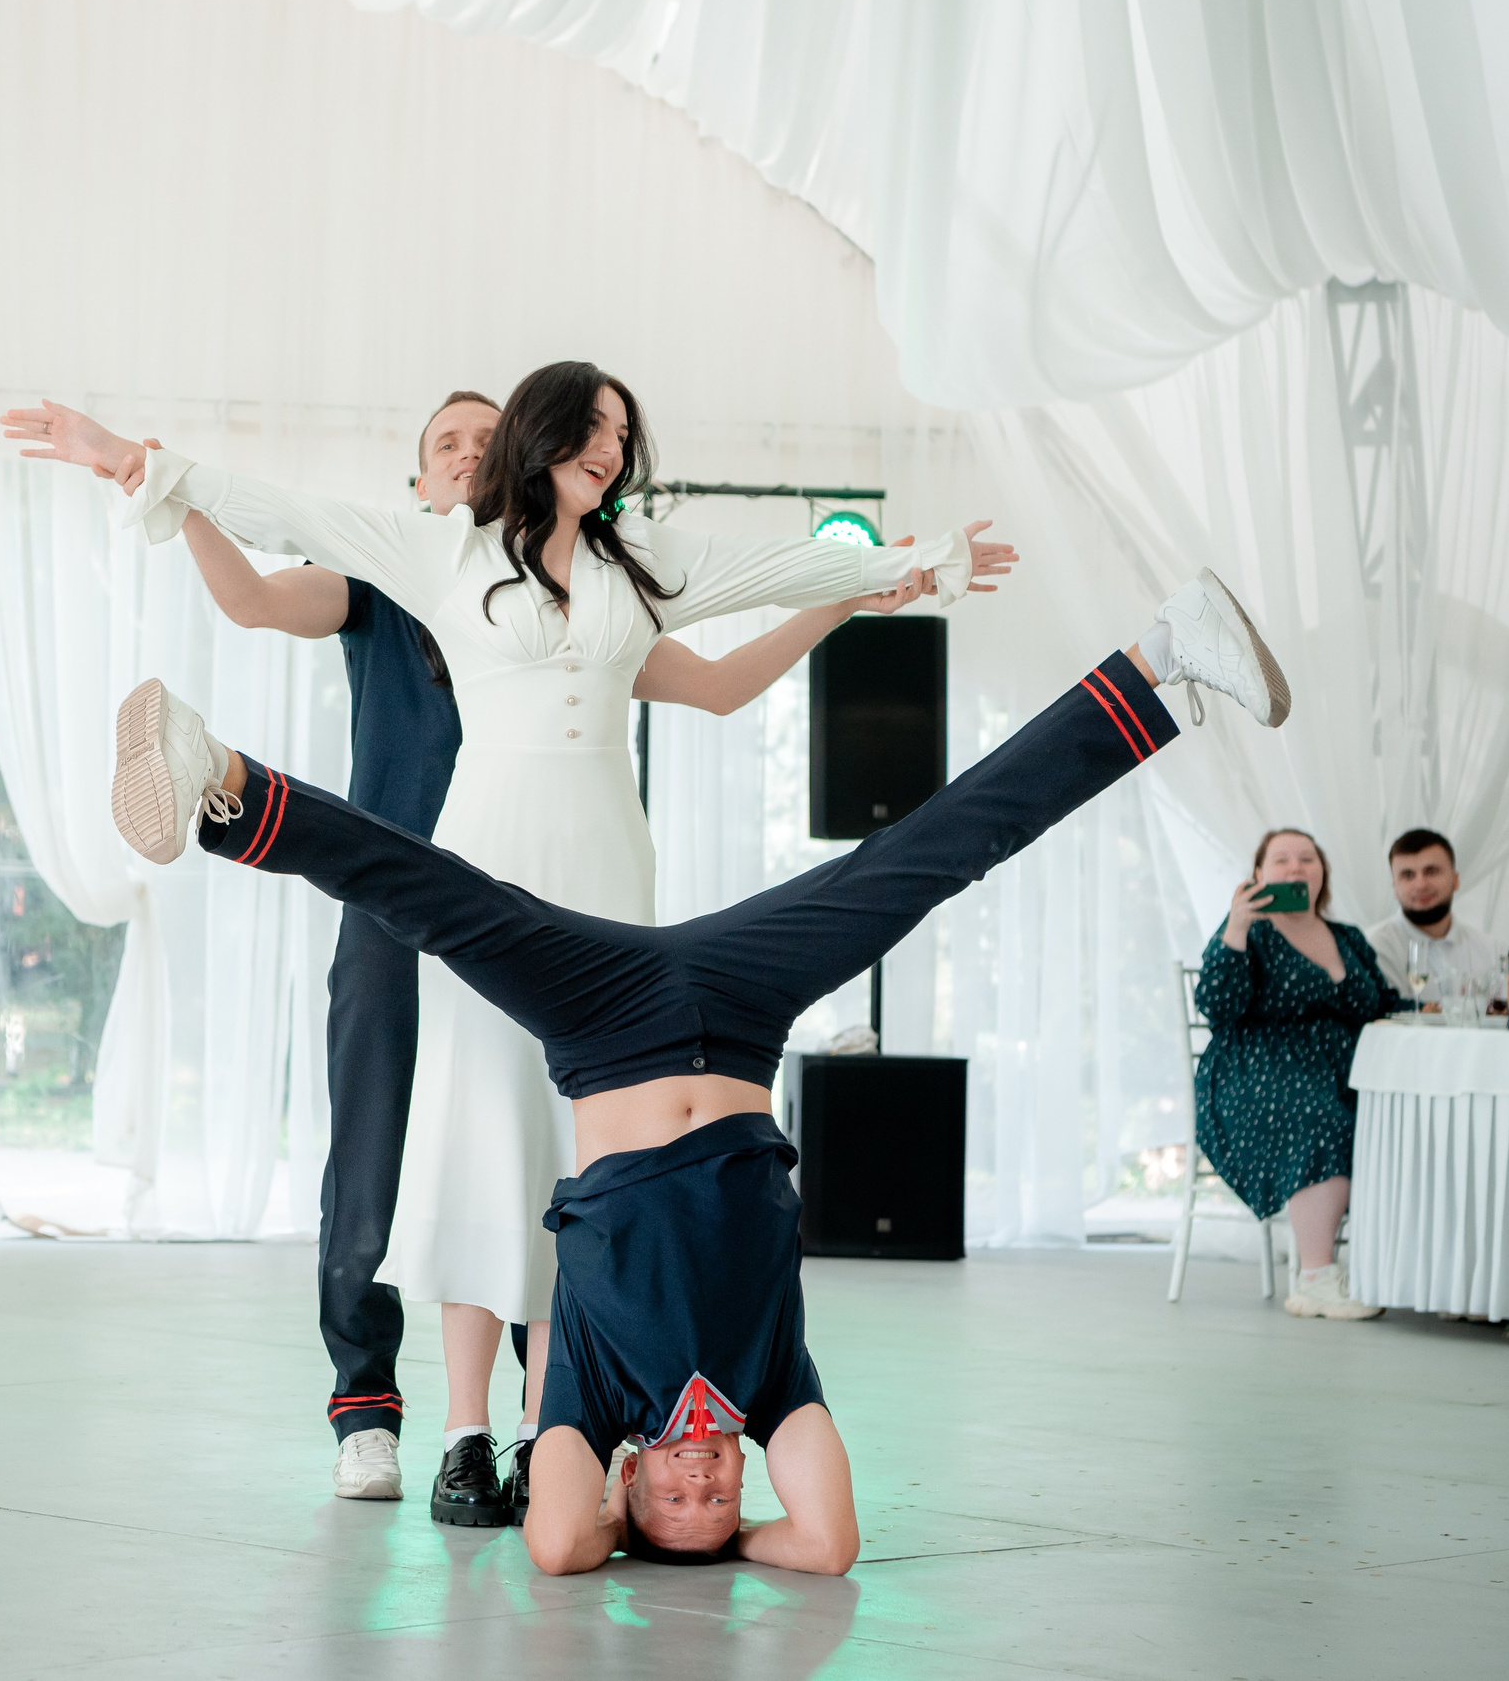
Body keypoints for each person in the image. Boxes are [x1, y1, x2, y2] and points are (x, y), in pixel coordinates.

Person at [102, 564, 1286, 1570]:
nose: (702, 1484)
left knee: (441, 899)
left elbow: (556, 1543)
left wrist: (619, 1518)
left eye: (674, 1497)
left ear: (629, 1480)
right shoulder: (773, 1386)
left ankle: (220, 779)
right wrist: (741, 1539)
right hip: (745, 1006)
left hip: (604, 1022)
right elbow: (827, 1542)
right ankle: (1162, 657)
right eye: (718, 1500)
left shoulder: (593, 1398)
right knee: (928, 856)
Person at [10, 363, 1001, 1528]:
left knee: (580, 1146)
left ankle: (550, 1427)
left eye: (623, 434)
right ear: (542, 435)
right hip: (483, 852)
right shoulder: (440, 552)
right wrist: (135, 461)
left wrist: (902, 568)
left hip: (606, 862)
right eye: (593, 428)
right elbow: (280, 512)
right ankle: (458, 1432)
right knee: (474, 1126)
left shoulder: (642, 563)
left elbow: (776, 571)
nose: (611, 449)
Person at [1193, 828, 1409, 1322]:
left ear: (1322, 873)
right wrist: (1236, 926)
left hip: (1343, 1071)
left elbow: (1378, 1003)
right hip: (1261, 1073)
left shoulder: (1347, 937)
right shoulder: (1248, 933)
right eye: (1282, 860)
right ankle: (1315, 1279)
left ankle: (1395, 1267)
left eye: (1307, 859)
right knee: (1320, 1121)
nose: (1295, 868)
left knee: (1401, 1120)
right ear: (1258, 875)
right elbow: (1217, 1006)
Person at [1365, 828, 1503, 1003]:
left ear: (1455, 880)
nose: (1421, 885)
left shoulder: (1490, 950)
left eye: (1431, 871)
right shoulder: (1375, 948)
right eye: (1408, 875)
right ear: (1395, 887)